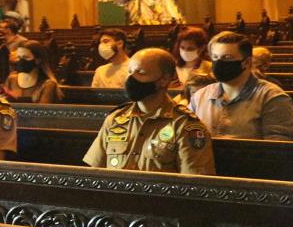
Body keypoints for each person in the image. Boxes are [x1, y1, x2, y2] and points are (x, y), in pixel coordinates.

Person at [84, 48, 215, 175]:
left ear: (163, 80)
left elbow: (193, 184)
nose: (130, 78)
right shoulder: (115, 119)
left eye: (140, 72)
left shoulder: (186, 126)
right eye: (129, 72)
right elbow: (96, 172)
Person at [189, 31, 293, 141]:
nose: (219, 63)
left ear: (246, 62)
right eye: (215, 57)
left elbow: (278, 146)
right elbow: (186, 134)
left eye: (227, 57)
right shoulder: (200, 96)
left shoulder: (271, 97)